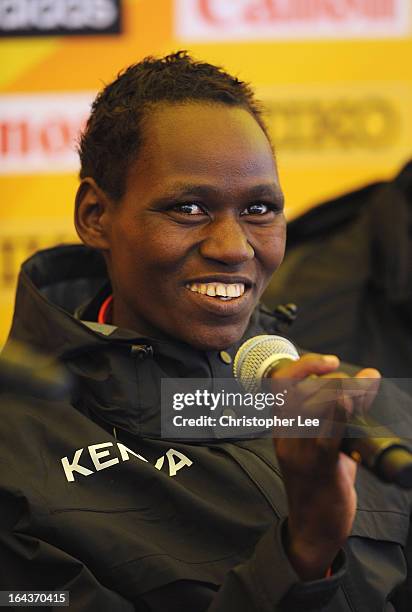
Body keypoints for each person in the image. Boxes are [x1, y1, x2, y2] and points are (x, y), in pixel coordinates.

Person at [0, 51, 411, 611]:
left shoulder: (356, 413)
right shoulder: (17, 453)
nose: (232, 247)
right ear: (96, 215)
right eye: (189, 208)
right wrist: (303, 552)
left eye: (260, 209)